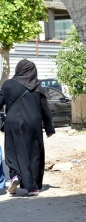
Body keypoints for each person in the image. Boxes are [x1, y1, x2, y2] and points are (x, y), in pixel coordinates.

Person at [0, 60, 55, 196]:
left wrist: (2, 120)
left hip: (13, 122)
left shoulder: (8, 85)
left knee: (13, 150)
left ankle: (14, 176)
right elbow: (45, 109)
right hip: (34, 123)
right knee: (34, 153)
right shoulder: (37, 87)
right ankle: (32, 187)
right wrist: (49, 129)